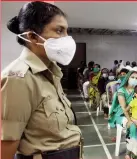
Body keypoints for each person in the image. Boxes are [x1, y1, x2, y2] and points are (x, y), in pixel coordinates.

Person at [1, 2, 82, 159]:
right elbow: (6, 146)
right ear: (32, 36)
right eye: (59, 31)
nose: (67, 38)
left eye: (66, 31)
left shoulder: (51, 72)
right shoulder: (18, 78)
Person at [108, 71, 137, 158]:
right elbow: (123, 108)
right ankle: (130, 152)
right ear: (128, 78)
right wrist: (130, 120)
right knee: (133, 126)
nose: (134, 79)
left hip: (134, 114)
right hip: (121, 115)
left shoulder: (136, 91)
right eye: (132, 77)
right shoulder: (121, 90)